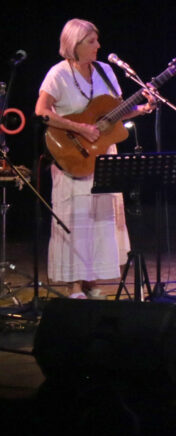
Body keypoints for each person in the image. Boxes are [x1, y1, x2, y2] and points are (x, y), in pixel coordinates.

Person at [35, 19, 155, 298]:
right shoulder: (58, 74)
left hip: (103, 155)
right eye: (91, 41)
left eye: (97, 40)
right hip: (72, 154)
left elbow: (115, 113)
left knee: (100, 218)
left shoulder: (105, 72)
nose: (98, 46)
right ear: (74, 45)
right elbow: (41, 111)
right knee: (75, 219)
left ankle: (91, 280)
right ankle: (74, 284)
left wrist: (144, 107)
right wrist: (79, 128)